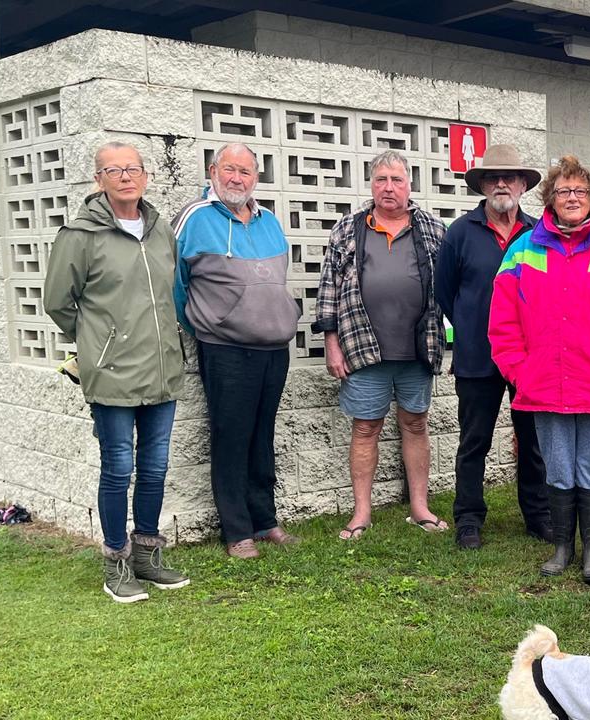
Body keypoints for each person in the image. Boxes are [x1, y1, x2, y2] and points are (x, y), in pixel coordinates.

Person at [488, 155, 590, 583]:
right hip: (544, 384)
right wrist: (521, 373)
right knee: (559, 469)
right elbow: (503, 323)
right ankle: (563, 547)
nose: (572, 198)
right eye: (563, 191)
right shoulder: (523, 250)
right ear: (549, 198)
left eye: (580, 191)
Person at [43, 142, 189, 603]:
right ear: (98, 179)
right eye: (113, 169)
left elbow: (170, 293)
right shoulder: (80, 235)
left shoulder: (161, 229)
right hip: (111, 374)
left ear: (145, 176)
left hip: (162, 369)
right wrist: (96, 344)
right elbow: (57, 302)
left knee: (154, 467)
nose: (125, 176)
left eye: (132, 169)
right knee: (118, 467)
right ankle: (116, 563)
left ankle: (147, 556)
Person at [172, 143, 301, 559]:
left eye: (245, 172)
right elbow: (174, 285)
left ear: (255, 178)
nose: (237, 179)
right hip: (225, 349)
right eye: (229, 169)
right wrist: (207, 324)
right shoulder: (195, 219)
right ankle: (237, 531)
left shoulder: (269, 221)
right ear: (213, 171)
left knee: (262, 436)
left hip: (272, 349)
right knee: (231, 437)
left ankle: (265, 521)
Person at [312, 150, 448, 540]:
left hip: (417, 349)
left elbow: (452, 285)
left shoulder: (434, 231)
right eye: (381, 180)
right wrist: (331, 344)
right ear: (372, 185)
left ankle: (420, 506)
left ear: (410, 185)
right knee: (366, 427)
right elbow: (328, 289)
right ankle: (361, 512)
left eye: (397, 180)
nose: (389, 187)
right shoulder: (347, 229)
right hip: (362, 346)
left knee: (416, 424)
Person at [435, 144, 550, 550]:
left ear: (522, 185)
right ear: (483, 185)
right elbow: (444, 292)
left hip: (528, 358)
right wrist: (471, 325)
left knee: (532, 442)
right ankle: (468, 519)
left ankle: (538, 516)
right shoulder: (460, 233)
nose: (502, 183)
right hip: (477, 357)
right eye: (493, 178)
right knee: (474, 442)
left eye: (510, 177)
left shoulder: (539, 234)